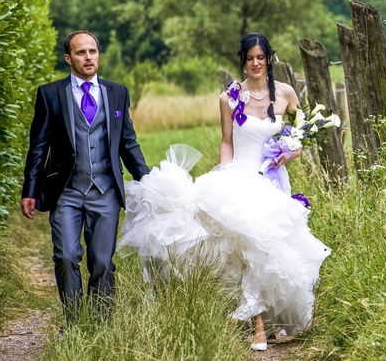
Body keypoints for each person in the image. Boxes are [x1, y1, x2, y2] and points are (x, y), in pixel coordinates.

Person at [118, 32, 331, 351]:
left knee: (274, 249)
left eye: (261, 57)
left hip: (274, 181)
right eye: (249, 58)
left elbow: (297, 136)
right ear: (242, 61)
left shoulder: (286, 94)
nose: (255, 64)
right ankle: (257, 325)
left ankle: (276, 320)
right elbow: (227, 141)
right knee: (247, 250)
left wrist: (290, 151)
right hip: (240, 178)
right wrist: (223, 175)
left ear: (269, 59)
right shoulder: (229, 97)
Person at [21, 30, 149, 320]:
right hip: (66, 190)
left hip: (105, 191)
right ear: (69, 58)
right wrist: (30, 189)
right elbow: (38, 146)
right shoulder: (50, 94)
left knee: (102, 262)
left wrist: (147, 179)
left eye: (92, 51)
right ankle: (75, 321)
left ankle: (100, 323)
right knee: (66, 256)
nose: (88, 57)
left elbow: (128, 142)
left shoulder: (117, 93)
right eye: (81, 53)